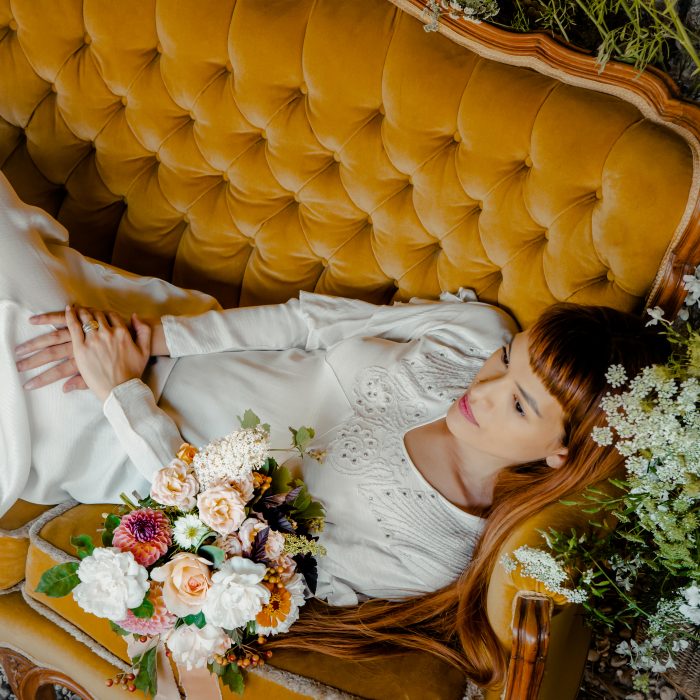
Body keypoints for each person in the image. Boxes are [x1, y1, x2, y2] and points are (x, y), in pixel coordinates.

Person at [5, 171, 668, 688]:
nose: (484, 391)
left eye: (520, 405)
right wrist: (157, 336)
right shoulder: (473, 333)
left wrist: (119, 391)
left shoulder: (429, 552)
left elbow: (233, 545)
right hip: (158, 334)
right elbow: (309, 323)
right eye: (506, 362)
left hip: (111, 430)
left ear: (562, 454)